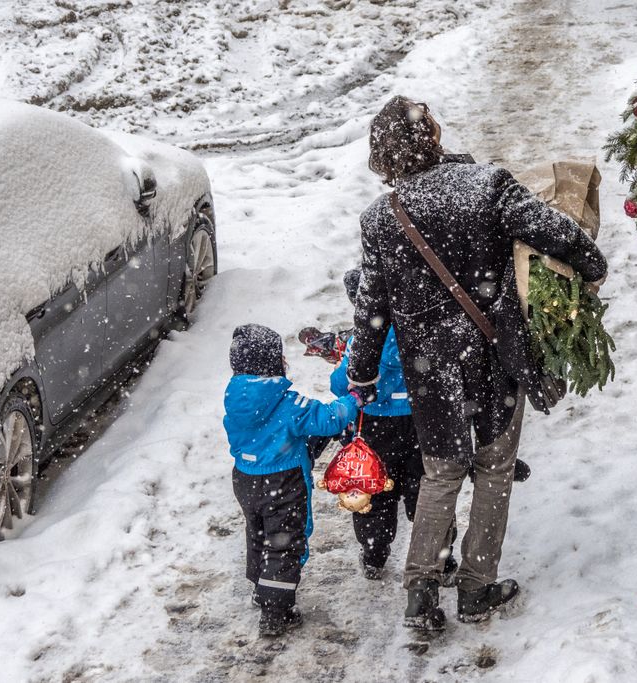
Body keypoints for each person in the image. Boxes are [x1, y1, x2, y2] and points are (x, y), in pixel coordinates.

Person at [346, 96, 607, 630]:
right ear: (433, 138)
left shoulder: (381, 219)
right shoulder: (486, 185)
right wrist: (590, 263)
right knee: (494, 469)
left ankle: (421, 591)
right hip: (493, 358)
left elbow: (371, 309)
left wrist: (363, 372)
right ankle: (475, 587)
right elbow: (550, 230)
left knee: (441, 472)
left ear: (384, 158)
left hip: (429, 369)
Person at [223, 323, 362, 637]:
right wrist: (353, 400)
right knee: (284, 543)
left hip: (245, 479)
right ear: (272, 364)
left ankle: (261, 588)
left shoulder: (235, 398)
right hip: (282, 481)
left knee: (257, 533)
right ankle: (276, 612)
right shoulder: (286, 404)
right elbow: (329, 419)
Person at [329, 268, 459, 582]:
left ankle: (374, 554)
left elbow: (340, 384)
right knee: (426, 489)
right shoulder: (415, 329)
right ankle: (442, 554)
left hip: (375, 427)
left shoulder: (364, 340)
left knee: (375, 489)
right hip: (419, 423)